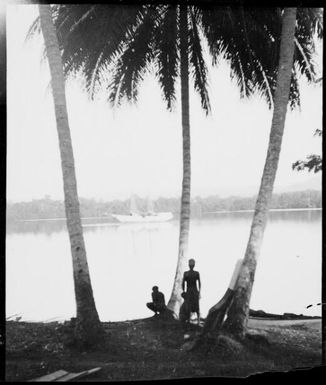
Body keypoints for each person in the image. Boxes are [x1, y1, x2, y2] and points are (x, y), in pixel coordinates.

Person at [181, 258, 201, 324]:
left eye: (192, 265)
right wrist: (183, 291)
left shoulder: (196, 273)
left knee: (196, 304)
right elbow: (183, 283)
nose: (191, 266)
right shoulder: (186, 273)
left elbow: (199, 283)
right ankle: (189, 319)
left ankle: (198, 320)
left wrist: (199, 291)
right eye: (190, 265)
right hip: (189, 290)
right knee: (189, 305)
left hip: (194, 290)